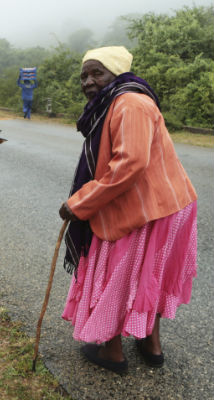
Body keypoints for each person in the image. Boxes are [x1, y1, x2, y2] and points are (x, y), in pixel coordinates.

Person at [58, 46, 198, 374]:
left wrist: (80, 203)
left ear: (116, 74)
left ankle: (113, 352)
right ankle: (150, 343)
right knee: (149, 275)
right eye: (84, 75)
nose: (88, 81)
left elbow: (129, 164)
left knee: (117, 274)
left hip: (151, 208)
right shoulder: (117, 101)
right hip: (165, 203)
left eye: (97, 73)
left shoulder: (130, 103)